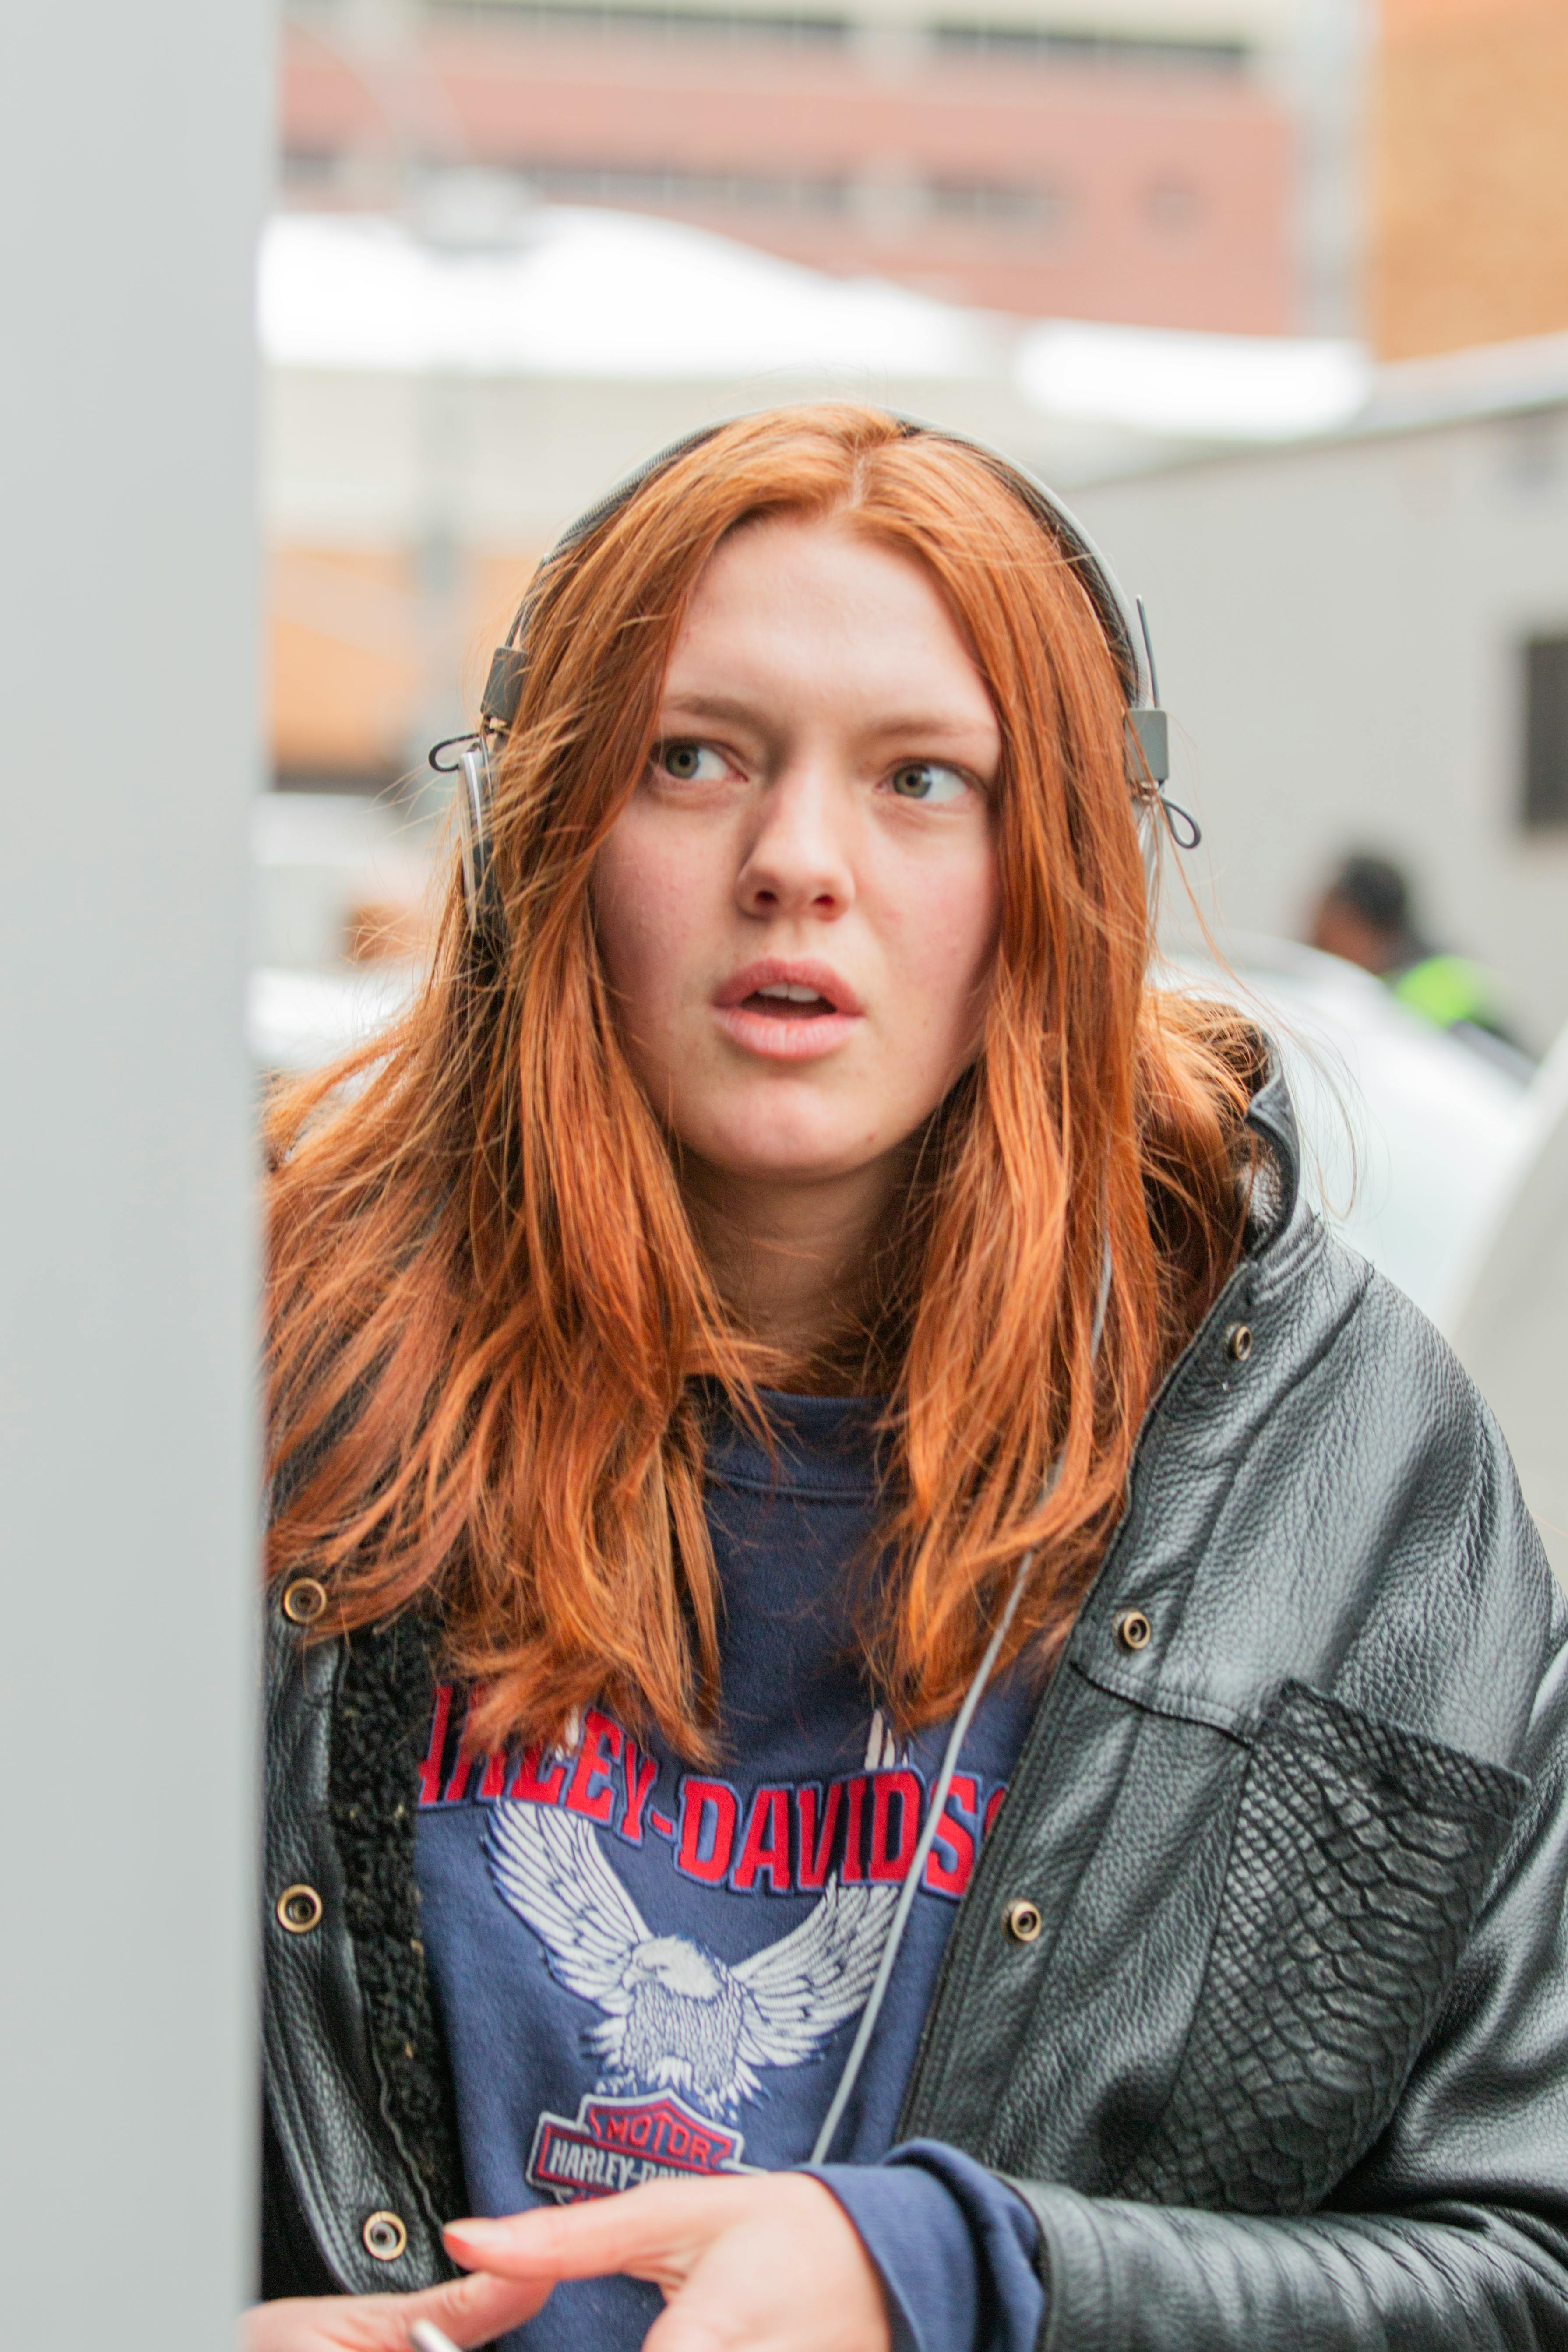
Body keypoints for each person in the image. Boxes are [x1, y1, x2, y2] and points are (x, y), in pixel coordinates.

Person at [251, 407, 1568, 2352]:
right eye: (694, 758)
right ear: (550, 823)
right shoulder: (262, 1371)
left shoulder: (1341, 1466)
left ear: (1056, 869)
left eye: (921, 780)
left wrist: (958, 2281)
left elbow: (1518, 2268)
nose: (798, 862)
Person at [1308, 849, 1525, 1057]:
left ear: (1355, 926)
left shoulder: (1397, 1006)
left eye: (1321, 940)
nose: (1317, 951)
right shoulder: (1441, 970)